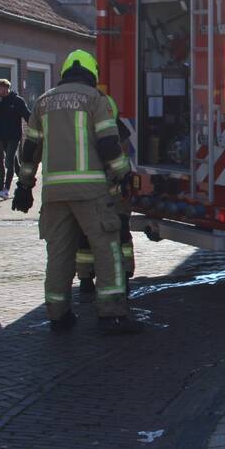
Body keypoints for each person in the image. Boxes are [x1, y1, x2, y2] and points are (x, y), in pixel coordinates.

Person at [12, 50, 141, 335]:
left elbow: (30, 149)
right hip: (91, 191)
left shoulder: (43, 102)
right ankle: (112, 316)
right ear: (92, 73)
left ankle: (58, 316)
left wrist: (24, 185)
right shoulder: (96, 99)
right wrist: (124, 174)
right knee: (106, 249)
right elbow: (109, 144)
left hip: (54, 194)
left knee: (59, 253)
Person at [75, 95, 135, 299]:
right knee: (121, 233)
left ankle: (85, 279)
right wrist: (123, 175)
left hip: (88, 188)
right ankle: (123, 278)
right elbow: (123, 148)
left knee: (85, 232)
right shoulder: (107, 109)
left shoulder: (79, 123)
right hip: (113, 188)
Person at [0, 78, 31, 199]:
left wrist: (35, 128)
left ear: (6, 88)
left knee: (8, 161)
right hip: (3, 137)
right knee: (14, 162)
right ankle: (24, 182)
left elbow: (27, 115)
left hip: (14, 137)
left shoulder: (17, 100)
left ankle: (6, 190)